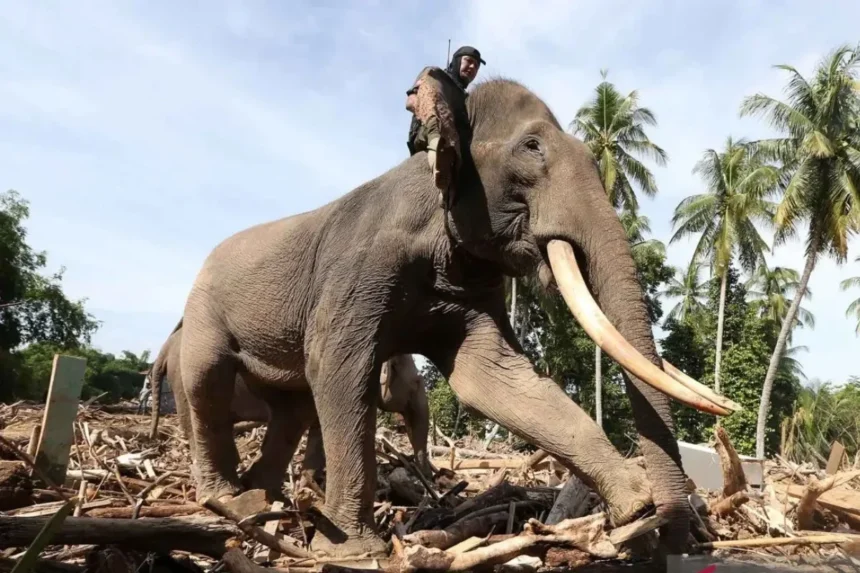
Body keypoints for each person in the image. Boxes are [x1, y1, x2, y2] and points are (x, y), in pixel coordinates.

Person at [406, 46, 486, 176]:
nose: (472, 67)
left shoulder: (467, 100)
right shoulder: (435, 76)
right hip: (428, 132)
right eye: (469, 61)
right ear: (457, 61)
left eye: (476, 66)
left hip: (460, 143)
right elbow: (411, 102)